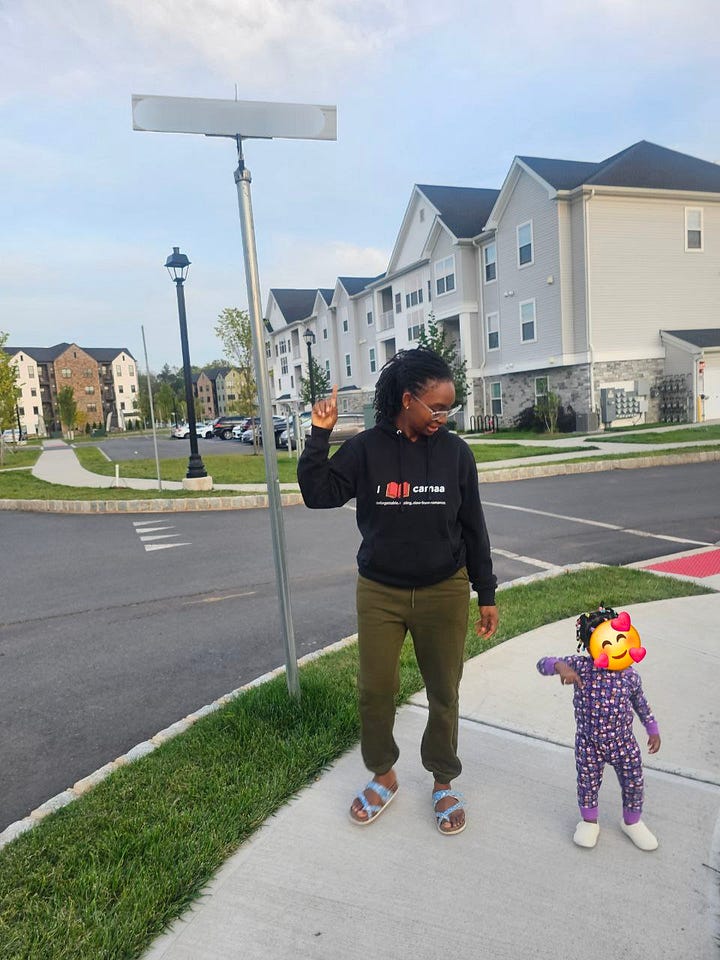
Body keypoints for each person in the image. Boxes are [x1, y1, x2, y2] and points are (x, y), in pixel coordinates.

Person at [297, 346, 498, 835]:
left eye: (449, 407)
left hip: (444, 590)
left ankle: (443, 781)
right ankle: (383, 774)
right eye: (436, 407)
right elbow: (318, 494)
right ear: (408, 400)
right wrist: (319, 435)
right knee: (375, 690)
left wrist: (486, 592)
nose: (443, 416)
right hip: (380, 592)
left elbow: (474, 526)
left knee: (444, 691)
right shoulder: (367, 449)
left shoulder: (456, 453)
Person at [536, 604, 661, 851]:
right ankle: (589, 823)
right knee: (587, 783)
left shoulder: (629, 675)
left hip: (623, 742)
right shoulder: (582, 666)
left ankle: (632, 822)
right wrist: (561, 667)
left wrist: (652, 728)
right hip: (589, 743)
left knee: (634, 780)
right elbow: (543, 663)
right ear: (589, 645)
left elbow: (641, 703)